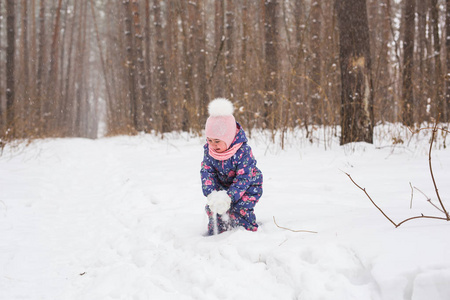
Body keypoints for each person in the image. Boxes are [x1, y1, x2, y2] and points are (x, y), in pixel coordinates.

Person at [200, 98, 263, 235]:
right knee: (214, 209)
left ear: (228, 137)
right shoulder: (209, 151)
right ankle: (217, 233)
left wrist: (230, 197)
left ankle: (247, 233)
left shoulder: (242, 152)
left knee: (240, 208)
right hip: (224, 185)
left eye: (217, 141)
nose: (213, 145)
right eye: (209, 140)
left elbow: (244, 178)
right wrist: (212, 194)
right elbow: (207, 171)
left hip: (248, 186)